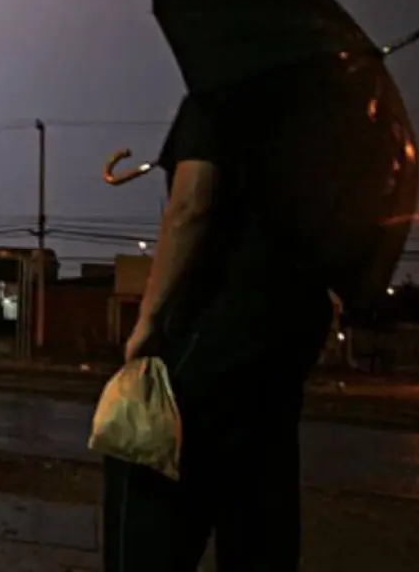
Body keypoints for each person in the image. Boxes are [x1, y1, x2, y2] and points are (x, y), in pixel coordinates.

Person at [102, 72, 336, 572]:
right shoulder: (321, 123)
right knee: (257, 507)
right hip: (286, 337)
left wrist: (149, 318)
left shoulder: (222, 94)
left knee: (143, 466)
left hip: (208, 327)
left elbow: (191, 203)